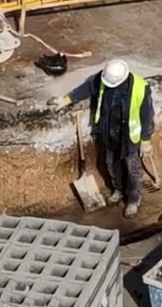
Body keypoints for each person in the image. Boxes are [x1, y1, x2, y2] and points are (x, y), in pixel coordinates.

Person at [49, 59, 155, 218]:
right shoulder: (105, 78)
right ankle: (118, 190)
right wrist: (66, 99)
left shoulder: (140, 88)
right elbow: (88, 88)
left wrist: (145, 140)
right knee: (112, 163)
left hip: (129, 136)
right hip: (109, 130)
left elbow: (147, 115)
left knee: (132, 170)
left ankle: (133, 200)